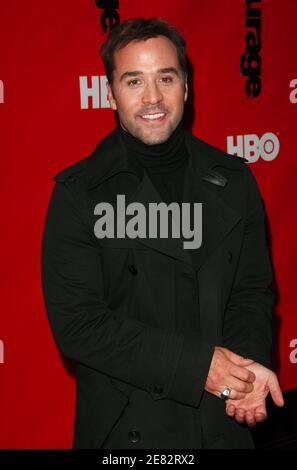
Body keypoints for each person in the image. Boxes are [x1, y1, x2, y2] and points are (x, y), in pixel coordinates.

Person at [41, 17, 284, 449]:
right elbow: (80, 325)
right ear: (111, 93)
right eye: (134, 81)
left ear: (185, 87)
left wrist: (244, 377)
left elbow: (251, 291)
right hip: (128, 431)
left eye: (165, 78)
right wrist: (200, 368)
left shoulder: (234, 180)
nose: (153, 98)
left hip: (222, 423)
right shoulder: (79, 193)